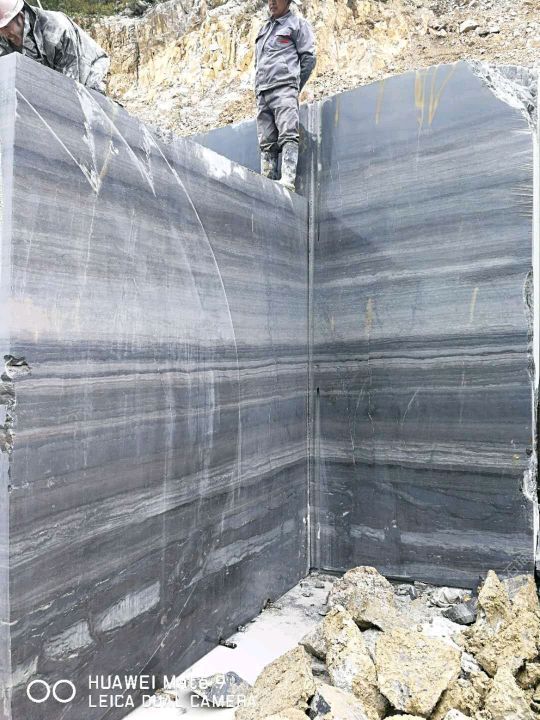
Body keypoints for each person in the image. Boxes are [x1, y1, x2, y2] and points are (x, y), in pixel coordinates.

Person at [255, 0, 316, 192]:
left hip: (284, 88)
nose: (272, 2)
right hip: (263, 91)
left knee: (288, 132)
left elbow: (309, 58)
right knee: (266, 141)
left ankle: (287, 180)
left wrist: (293, 86)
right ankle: (267, 183)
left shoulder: (297, 24)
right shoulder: (264, 29)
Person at [0, 0, 110, 94]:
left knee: (87, 105)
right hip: (51, 74)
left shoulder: (56, 31)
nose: (3, 33)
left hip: (87, 69)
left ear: (21, 16)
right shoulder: (5, 36)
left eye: (5, 27)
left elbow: (69, 85)